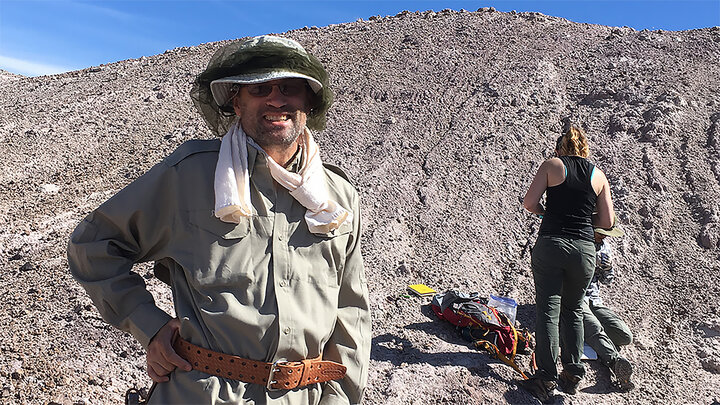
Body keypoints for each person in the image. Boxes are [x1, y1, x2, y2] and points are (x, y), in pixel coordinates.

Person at [67, 35, 371, 404]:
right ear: (235, 102)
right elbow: (95, 245)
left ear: (308, 100)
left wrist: (340, 397)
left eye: (290, 87)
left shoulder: (337, 196)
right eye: (260, 88)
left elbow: (350, 310)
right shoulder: (190, 175)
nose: (277, 99)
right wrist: (151, 327)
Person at [519, 124, 615, 401]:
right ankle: (572, 373)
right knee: (573, 310)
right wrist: (585, 220)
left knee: (549, 309)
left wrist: (546, 212)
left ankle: (545, 378)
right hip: (585, 250)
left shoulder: (552, 165)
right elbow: (607, 222)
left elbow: (529, 202)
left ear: (560, 148)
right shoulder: (599, 176)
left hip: (552, 243)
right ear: (585, 149)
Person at [581, 221, 634, 391]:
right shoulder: (579, 240)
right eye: (601, 232)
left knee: (624, 336)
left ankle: (584, 333)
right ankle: (614, 362)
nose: (604, 236)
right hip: (575, 297)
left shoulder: (605, 247)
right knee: (594, 327)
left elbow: (607, 280)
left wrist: (607, 268)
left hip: (594, 300)